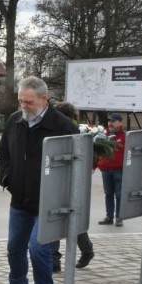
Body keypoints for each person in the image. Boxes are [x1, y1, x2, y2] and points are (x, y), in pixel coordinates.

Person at [0, 77, 79, 284]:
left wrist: (63, 196)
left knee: (39, 249)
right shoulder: (15, 120)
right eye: (21, 100)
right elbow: (3, 152)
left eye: (28, 101)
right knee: (14, 249)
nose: (23, 105)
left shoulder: (63, 127)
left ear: (44, 98)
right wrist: (7, 179)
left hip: (49, 204)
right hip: (20, 200)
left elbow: (77, 165)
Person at [51, 101, 95, 270]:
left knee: (71, 217)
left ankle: (86, 250)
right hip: (54, 181)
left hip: (71, 182)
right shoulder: (53, 131)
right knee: (53, 218)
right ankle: (54, 260)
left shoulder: (74, 133)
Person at [96, 112, 125, 227]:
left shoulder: (125, 136)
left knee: (119, 194)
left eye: (113, 121)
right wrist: (95, 165)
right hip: (106, 169)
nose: (110, 123)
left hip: (119, 170)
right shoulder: (103, 135)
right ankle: (109, 216)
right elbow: (98, 152)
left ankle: (119, 217)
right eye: (109, 121)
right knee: (108, 193)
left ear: (120, 123)